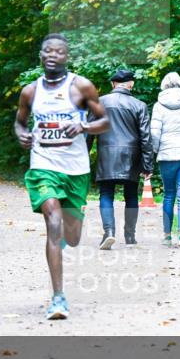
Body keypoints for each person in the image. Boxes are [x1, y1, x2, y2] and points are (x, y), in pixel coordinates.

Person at [14, 34, 110, 320]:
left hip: (76, 169)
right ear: (41, 55)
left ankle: (72, 228)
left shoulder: (81, 87)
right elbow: (19, 124)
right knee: (53, 224)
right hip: (44, 164)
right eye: (47, 50)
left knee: (74, 236)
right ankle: (58, 298)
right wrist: (23, 135)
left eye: (59, 51)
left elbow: (104, 122)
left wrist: (82, 127)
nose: (52, 55)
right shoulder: (30, 92)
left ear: (67, 56)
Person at [87, 68, 153, 248]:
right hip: (131, 157)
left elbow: (89, 133)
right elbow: (146, 138)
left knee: (106, 193)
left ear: (113, 84)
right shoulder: (140, 105)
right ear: (131, 84)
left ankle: (109, 232)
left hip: (107, 155)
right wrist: (148, 165)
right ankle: (130, 237)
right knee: (131, 195)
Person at [150, 72, 180, 248]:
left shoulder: (158, 106)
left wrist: (156, 151)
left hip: (167, 157)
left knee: (169, 194)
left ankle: (167, 235)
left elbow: (155, 133)